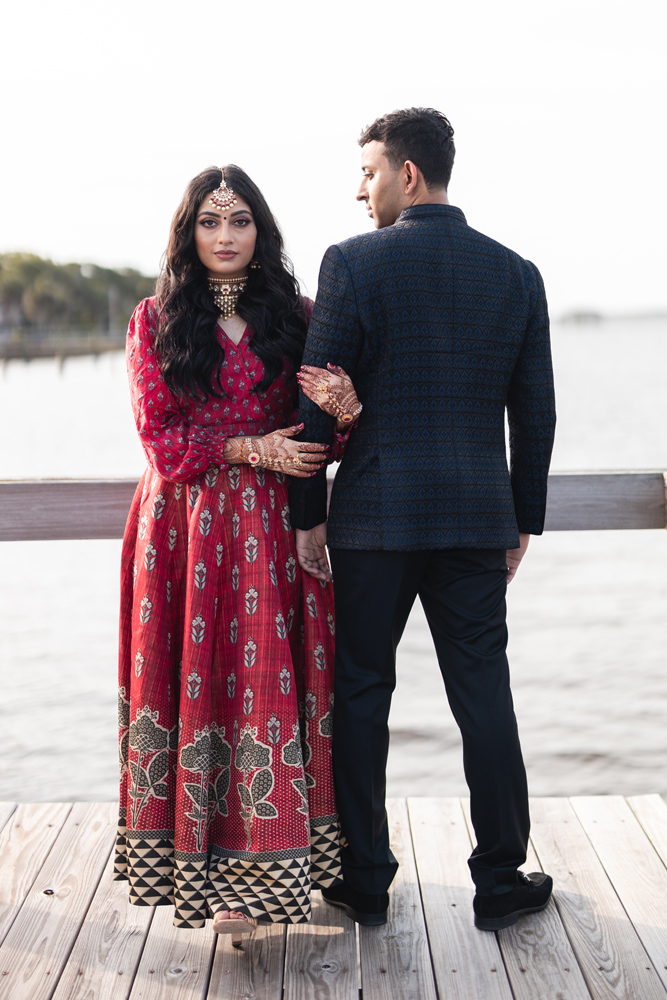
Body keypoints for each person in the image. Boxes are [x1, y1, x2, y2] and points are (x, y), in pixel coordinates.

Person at [290, 108, 557, 931]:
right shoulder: (515, 274)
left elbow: (313, 400)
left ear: (407, 175)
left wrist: (308, 518)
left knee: (363, 695)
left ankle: (366, 880)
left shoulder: (352, 264)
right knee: (484, 694)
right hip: (476, 519)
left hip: (371, 519)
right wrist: (523, 521)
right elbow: (536, 414)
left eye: (367, 171)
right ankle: (500, 878)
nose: (358, 187)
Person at [113, 165, 361, 943]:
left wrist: (349, 414)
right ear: (188, 233)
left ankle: (277, 872)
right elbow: (160, 436)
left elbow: (325, 431)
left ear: (262, 230)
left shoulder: (300, 315)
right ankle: (210, 877)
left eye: (241, 221)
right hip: (184, 528)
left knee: (268, 688)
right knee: (195, 691)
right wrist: (251, 446)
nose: (225, 237)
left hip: (277, 533)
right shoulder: (154, 319)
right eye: (210, 222)